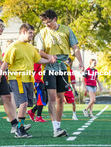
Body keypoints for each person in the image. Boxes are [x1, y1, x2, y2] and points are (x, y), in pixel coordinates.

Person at [0, 23, 51, 138]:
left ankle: (20, 126)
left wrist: (50, 60)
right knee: (23, 104)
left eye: (32, 34)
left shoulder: (30, 47)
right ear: (23, 32)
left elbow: (38, 60)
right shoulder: (13, 46)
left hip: (29, 79)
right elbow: (5, 64)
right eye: (30, 33)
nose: (31, 36)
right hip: (17, 79)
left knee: (26, 104)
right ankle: (19, 129)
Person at [37, 9, 84, 137]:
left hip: (63, 68)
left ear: (55, 19)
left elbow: (75, 48)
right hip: (48, 68)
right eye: (44, 23)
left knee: (60, 99)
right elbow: (40, 52)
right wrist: (48, 56)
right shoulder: (42, 33)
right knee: (52, 97)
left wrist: (80, 62)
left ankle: (58, 126)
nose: (47, 25)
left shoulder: (67, 30)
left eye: (49, 22)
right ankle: (55, 129)